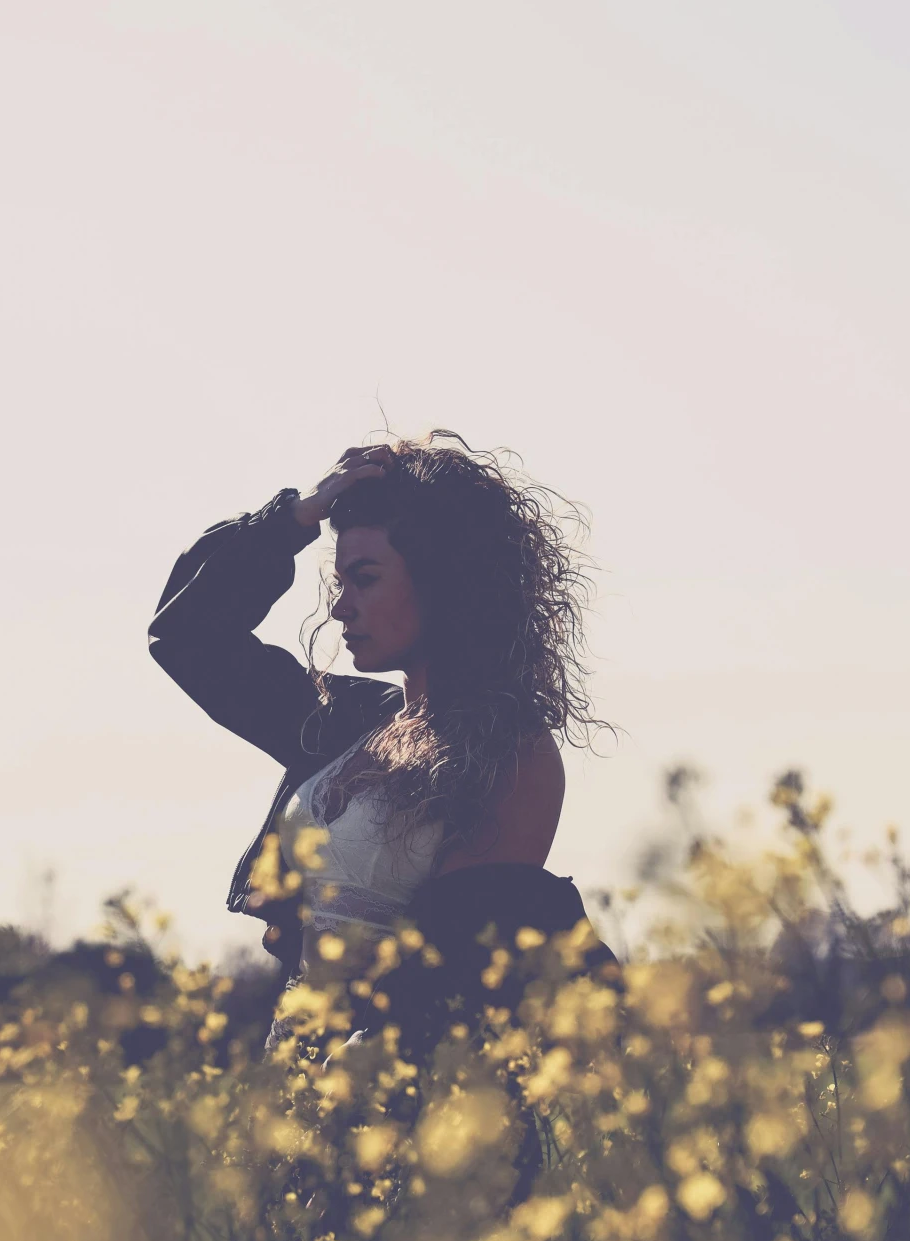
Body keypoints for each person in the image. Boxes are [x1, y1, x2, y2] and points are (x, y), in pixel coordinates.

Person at [149, 432, 614, 1064]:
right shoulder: (343, 722)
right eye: (339, 582)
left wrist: (331, 1101)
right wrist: (295, 517)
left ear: (444, 583)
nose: (341, 608)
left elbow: (451, 985)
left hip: (406, 1112)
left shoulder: (509, 752)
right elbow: (185, 634)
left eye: (364, 580)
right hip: (292, 1080)